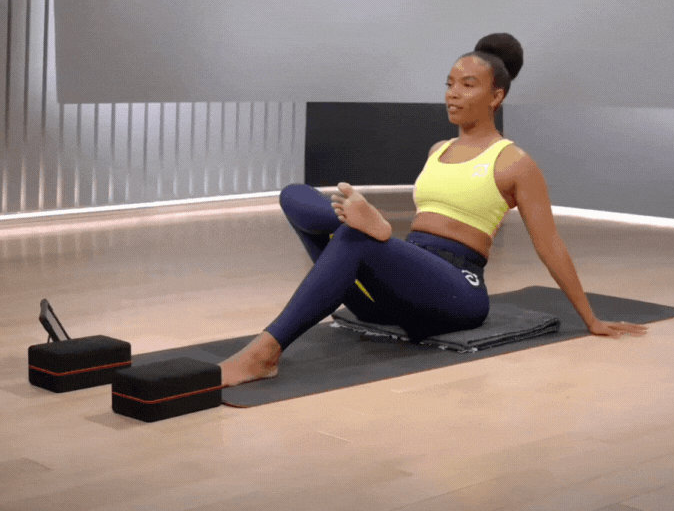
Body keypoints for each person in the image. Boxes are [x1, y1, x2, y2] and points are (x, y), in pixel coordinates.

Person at [220, 33, 647, 386]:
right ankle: (370, 230)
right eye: (449, 83)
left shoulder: (514, 161)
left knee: (356, 237)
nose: (452, 94)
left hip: (457, 292)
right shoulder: (437, 149)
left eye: (467, 84)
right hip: (399, 287)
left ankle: (264, 354)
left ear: (496, 95)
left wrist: (589, 318)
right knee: (294, 196)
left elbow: (549, 243)